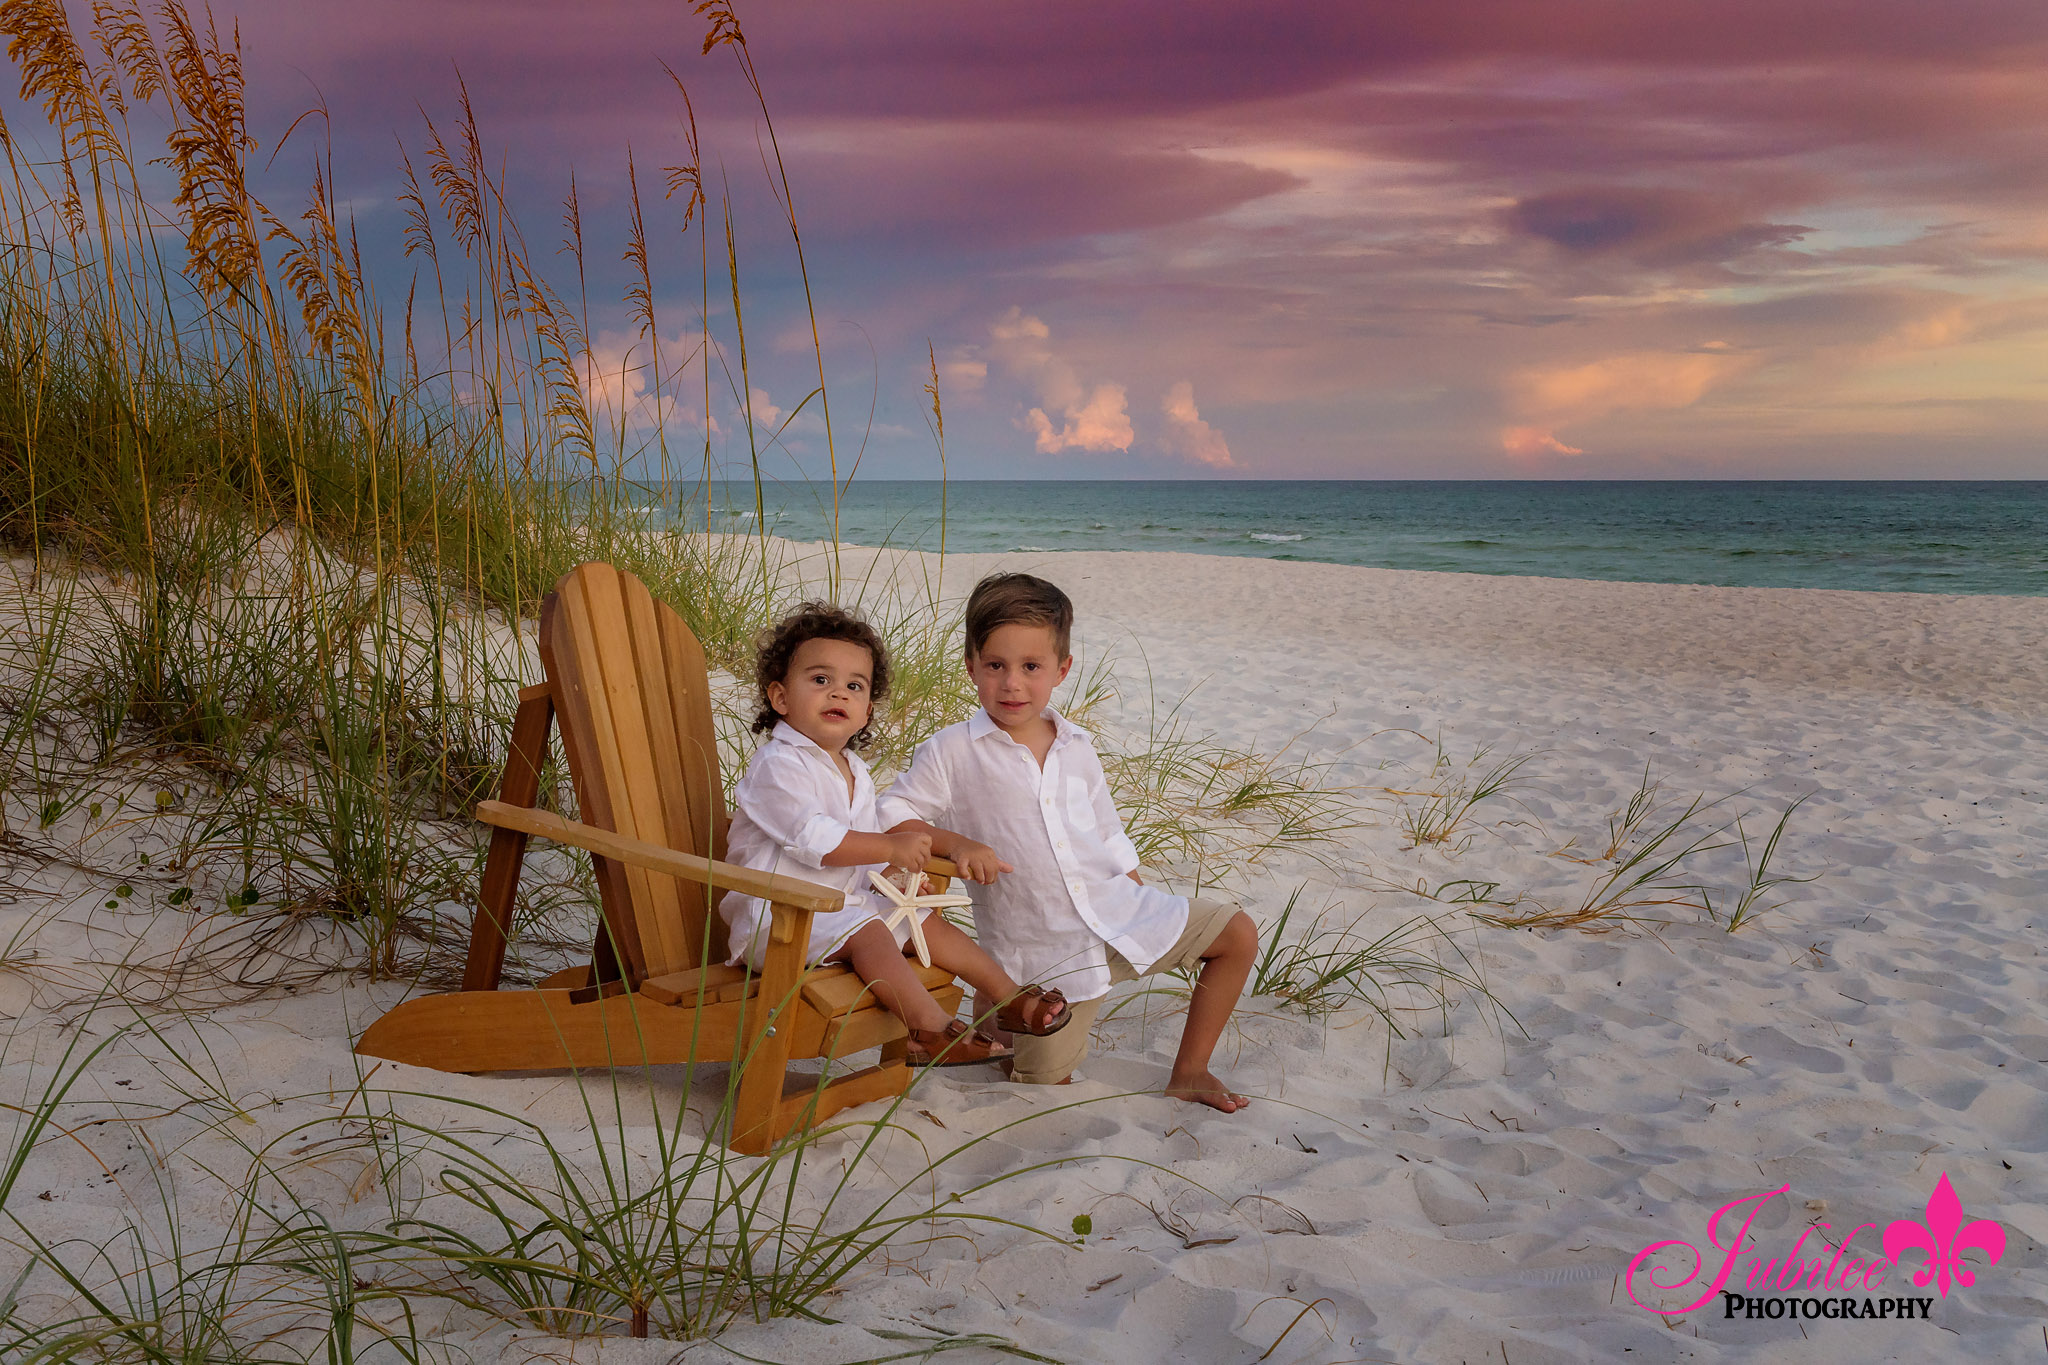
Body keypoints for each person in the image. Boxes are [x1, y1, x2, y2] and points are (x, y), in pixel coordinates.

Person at [879, 573, 1259, 1111]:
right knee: (1041, 1088)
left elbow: (1104, 825)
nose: (1012, 684)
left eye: (1031, 667)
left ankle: (1191, 1070)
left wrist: (1134, 886)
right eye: (995, 666)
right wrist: (955, 842)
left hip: (1115, 910)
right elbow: (892, 813)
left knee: (1236, 934)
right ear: (970, 666)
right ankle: (1002, 1009)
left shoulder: (1076, 745)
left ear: (1062, 670)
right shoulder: (952, 752)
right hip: (1043, 954)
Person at [722, 602, 1071, 1067]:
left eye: (854, 686)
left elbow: (858, 854)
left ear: (866, 711)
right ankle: (929, 1030)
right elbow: (815, 839)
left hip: (835, 912)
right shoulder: (778, 766)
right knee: (870, 931)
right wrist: (889, 845)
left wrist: (889, 872)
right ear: (781, 698)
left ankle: (1008, 998)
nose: (837, 694)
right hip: (778, 922)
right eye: (820, 680)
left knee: (921, 920)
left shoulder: (855, 771)